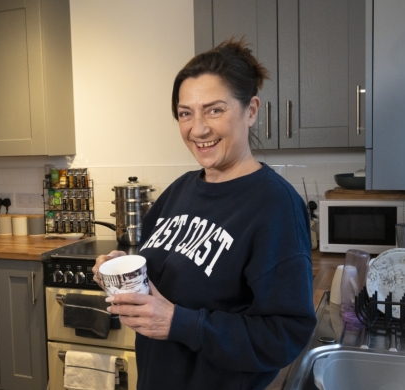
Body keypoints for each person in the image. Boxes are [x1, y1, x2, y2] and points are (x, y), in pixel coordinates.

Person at [92, 38, 316, 390]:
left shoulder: (275, 205)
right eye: (185, 113)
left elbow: (286, 334)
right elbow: (163, 273)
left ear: (251, 110)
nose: (198, 129)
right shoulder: (180, 190)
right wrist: (120, 270)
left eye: (214, 110)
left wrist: (181, 323)